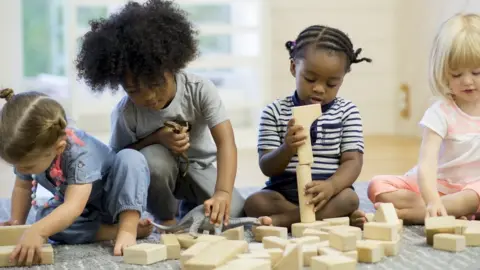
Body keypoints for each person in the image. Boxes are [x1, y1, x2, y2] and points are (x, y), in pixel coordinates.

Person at [75, 0, 245, 227]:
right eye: (134, 90)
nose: (149, 97)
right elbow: (120, 161)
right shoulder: (126, 112)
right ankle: (166, 217)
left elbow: (226, 143)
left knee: (234, 211)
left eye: (155, 83)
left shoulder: (200, 89)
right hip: (157, 176)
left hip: (198, 167)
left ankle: (190, 207)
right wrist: (157, 138)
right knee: (152, 159)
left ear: (171, 66)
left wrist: (223, 192)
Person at [0, 88, 152, 265]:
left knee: (131, 158)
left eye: (27, 166)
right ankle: (111, 231)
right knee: (45, 219)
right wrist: (16, 222)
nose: (21, 170)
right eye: (15, 165)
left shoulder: (79, 154)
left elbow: (73, 206)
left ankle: (127, 228)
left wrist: (38, 232)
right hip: (85, 211)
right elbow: (22, 186)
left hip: (114, 201)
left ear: (58, 148)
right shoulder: (31, 153)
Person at [243, 25, 371, 228]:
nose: (319, 89)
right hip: (284, 194)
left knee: (349, 199)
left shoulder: (347, 112)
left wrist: (332, 185)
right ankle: (328, 219)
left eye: (331, 84)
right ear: (294, 68)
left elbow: (353, 162)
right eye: (310, 79)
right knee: (255, 202)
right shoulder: (274, 112)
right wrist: (287, 148)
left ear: (342, 79)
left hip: (326, 194)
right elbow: (267, 166)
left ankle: (286, 221)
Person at [367, 13, 480, 225]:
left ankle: (416, 213)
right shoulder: (441, 113)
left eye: (477, 72)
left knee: (474, 195)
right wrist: (432, 199)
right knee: (377, 185)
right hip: (434, 186)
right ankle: (442, 210)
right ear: (443, 73)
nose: (467, 81)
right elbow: (426, 165)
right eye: (456, 75)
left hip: (472, 190)